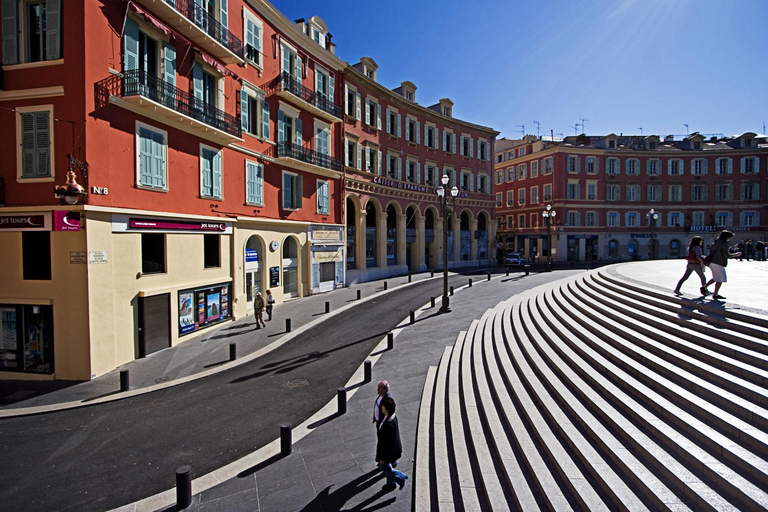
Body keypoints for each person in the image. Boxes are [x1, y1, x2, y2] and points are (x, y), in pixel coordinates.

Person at [376, 397, 408, 491]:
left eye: (382, 407)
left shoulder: (389, 424)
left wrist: (382, 458)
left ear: (386, 409)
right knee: (387, 466)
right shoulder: (391, 416)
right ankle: (391, 484)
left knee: (384, 467)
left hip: (388, 452)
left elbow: (385, 443)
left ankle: (400, 477)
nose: (381, 407)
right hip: (392, 450)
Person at [702, 231, 740, 300]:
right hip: (718, 263)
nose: (729, 239)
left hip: (711, 262)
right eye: (729, 237)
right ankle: (715, 294)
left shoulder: (715, 242)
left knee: (716, 277)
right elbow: (726, 255)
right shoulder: (724, 244)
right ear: (727, 237)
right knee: (720, 279)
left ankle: (704, 287)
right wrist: (735, 255)